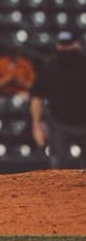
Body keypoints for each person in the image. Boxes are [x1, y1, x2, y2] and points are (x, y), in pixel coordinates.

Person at [31, 31, 86, 168]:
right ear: (57, 46)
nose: (66, 48)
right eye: (63, 45)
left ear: (77, 44)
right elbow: (36, 97)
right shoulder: (49, 68)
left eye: (69, 44)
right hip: (58, 122)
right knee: (57, 166)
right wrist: (36, 126)